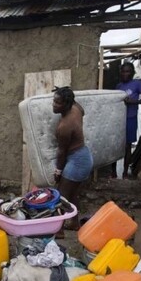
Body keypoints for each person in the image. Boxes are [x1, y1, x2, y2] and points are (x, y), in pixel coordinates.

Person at [52, 87, 93, 233]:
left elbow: (62, 152)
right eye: (54, 100)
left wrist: (58, 171)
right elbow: (82, 109)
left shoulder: (64, 126)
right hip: (83, 155)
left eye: (58, 102)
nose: (54, 105)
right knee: (72, 193)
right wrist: (67, 94)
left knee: (61, 196)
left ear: (66, 104)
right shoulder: (76, 109)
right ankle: (75, 223)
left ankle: (58, 230)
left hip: (77, 161)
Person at [112, 62, 141, 179]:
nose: (125, 74)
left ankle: (125, 172)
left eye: (128, 71)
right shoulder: (118, 86)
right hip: (118, 120)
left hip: (130, 118)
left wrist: (134, 102)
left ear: (132, 73)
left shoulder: (137, 84)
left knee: (127, 146)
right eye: (123, 71)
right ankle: (113, 172)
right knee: (115, 145)